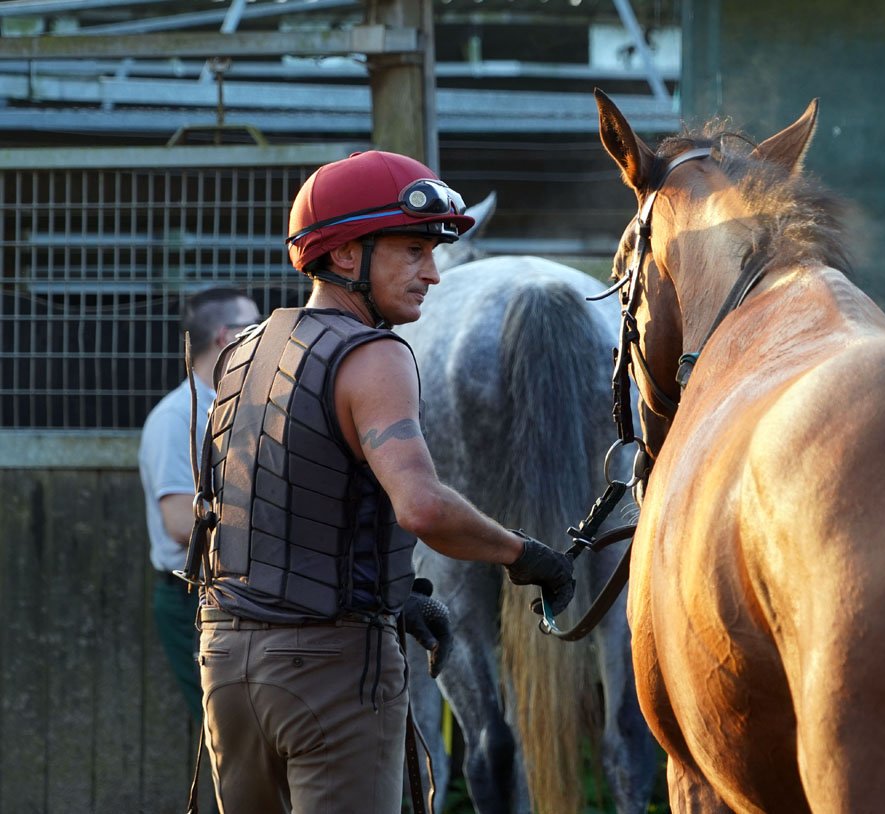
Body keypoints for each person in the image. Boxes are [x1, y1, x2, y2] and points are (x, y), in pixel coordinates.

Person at [190, 150, 576, 814]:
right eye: (412, 251)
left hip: (226, 666)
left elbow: (263, 507)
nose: (433, 273)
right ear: (346, 255)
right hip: (331, 673)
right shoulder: (375, 355)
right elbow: (422, 508)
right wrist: (526, 555)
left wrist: (394, 597)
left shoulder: (243, 351)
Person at [138, 286, 261, 724]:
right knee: (228, 731)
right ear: (227, 336)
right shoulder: (177, 417)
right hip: (194, 597)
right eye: (254, 326)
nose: (263, 336)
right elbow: (178, 523)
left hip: (235, 592)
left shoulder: (240, 406)